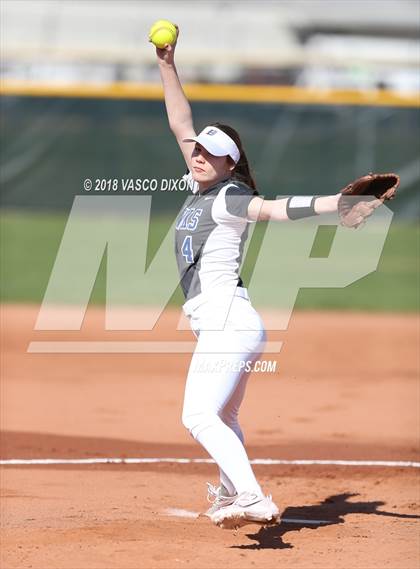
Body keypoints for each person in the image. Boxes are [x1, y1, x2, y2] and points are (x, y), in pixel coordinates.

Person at [155, 26, 379, 530]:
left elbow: (277, 210)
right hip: (226, 324)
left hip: (229, 322)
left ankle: (251, 497)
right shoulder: (198, 185)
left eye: (210, 153)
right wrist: (167, 63)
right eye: (198, 151)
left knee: (198, 417)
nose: (198, 155)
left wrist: (337, 205)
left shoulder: (230, 195)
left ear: (229, 164)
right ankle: (234, 493)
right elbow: (179, 121)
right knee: (226, 417)